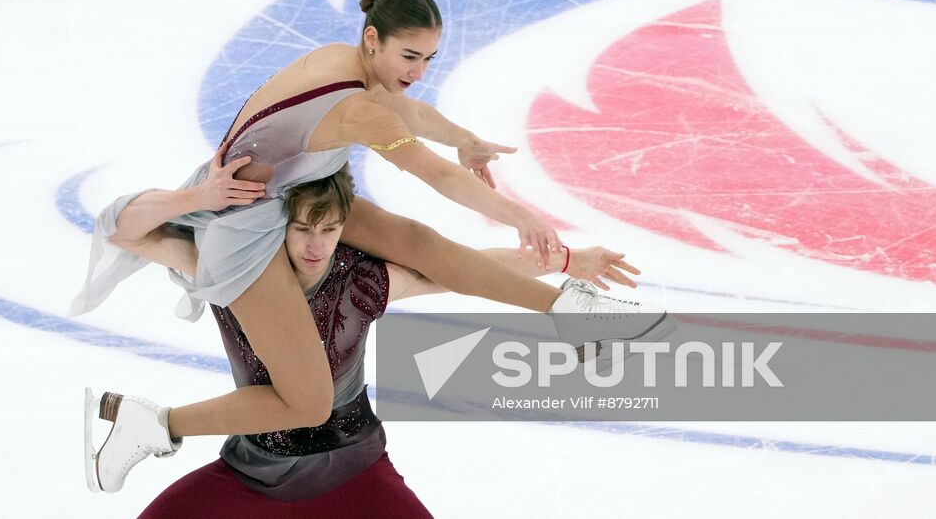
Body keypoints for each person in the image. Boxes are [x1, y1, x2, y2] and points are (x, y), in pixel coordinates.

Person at [71, 0, 670, 493]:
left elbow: (410, 113)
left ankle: (570, 309)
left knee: (419, 242)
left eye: (429, 59)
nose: (418, 71)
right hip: (245, 223)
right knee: (309, 402)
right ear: (372, 40)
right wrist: (525, 217)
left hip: (299, 188)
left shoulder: (348, 64)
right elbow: (428, 168)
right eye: (410, 56)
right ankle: (155, 424)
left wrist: (464, 139)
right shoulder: (356, 109)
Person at [119, 167, 593, 517]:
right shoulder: (231, 273)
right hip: (252, 473)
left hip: (352, 467)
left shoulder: (360, 282)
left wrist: (566, 261)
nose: (316, 245)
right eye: (302, 229)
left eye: (329, 230)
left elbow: (465, 268)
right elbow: (127, 231)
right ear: (275, 226)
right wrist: (196, 197)